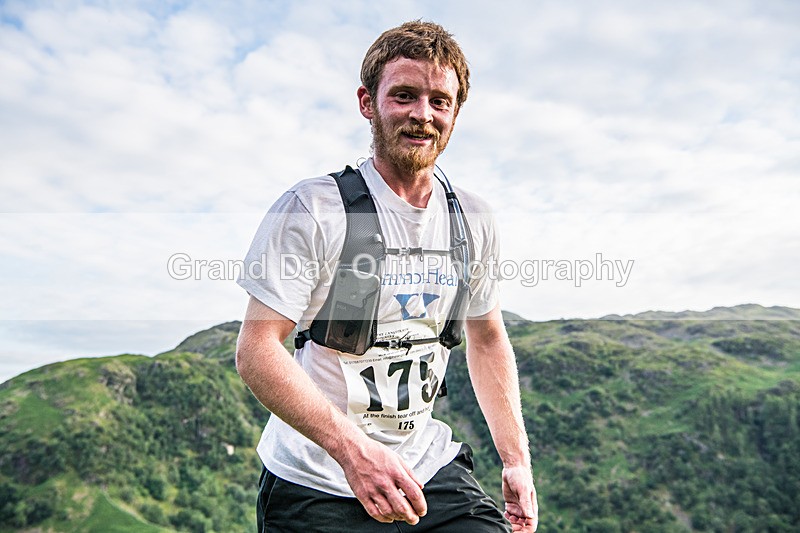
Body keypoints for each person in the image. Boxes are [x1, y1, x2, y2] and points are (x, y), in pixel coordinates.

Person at [235, 20, 537, 532]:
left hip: (427, 470)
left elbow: (486, 340)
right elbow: (257, 350)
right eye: (404, 95)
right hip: (317, 482)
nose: (423, 115)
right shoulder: (313, 209)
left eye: (440, 101)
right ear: (366, 102)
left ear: (456, 112)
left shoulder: (472, 219)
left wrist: (515, 458)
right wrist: (355, 453)